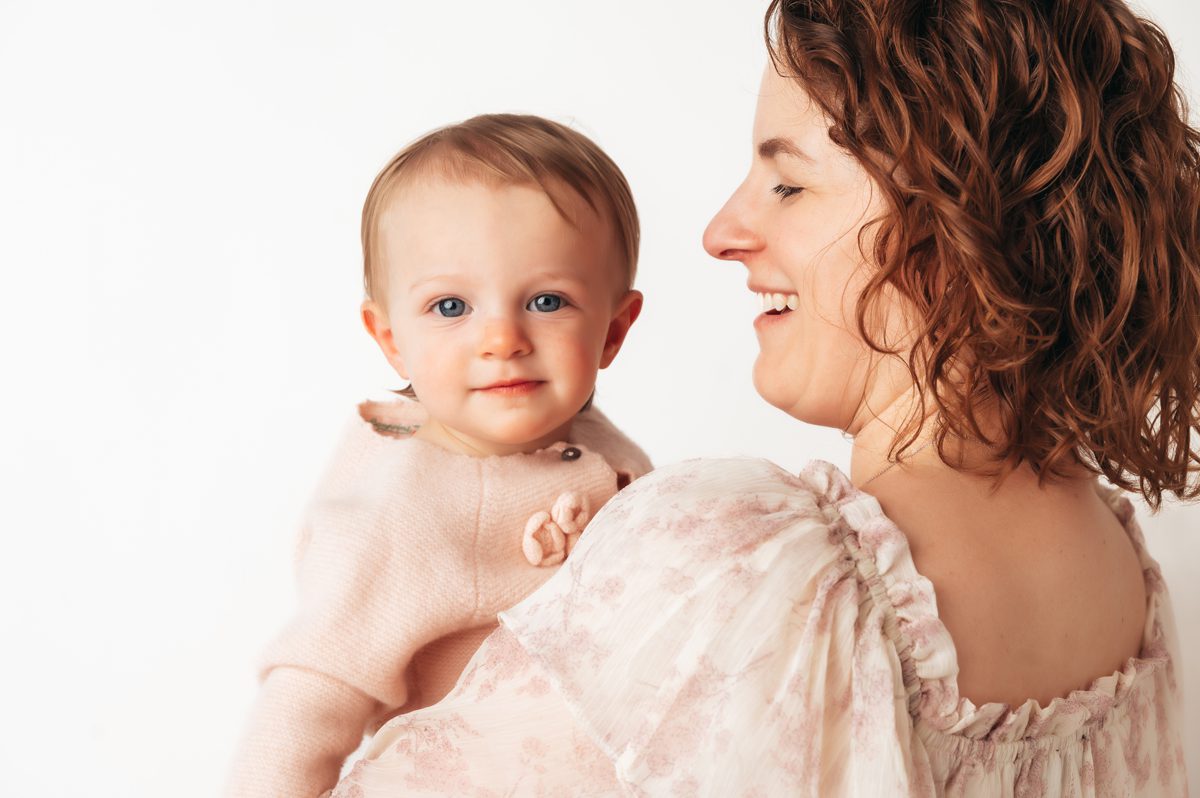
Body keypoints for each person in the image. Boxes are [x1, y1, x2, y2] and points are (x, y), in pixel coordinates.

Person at [330, 0, 1198, 792]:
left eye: (788, 184)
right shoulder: (1120, 579)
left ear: (953, 223)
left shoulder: (746, 564)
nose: (722, 233)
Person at [224, 113, 653, 798]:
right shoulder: (395, 510)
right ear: (392, 339)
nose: (502, 339)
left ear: (613, 330)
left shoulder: (604, 449)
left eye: (547, 301)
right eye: (451, 307)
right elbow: (305, 703)